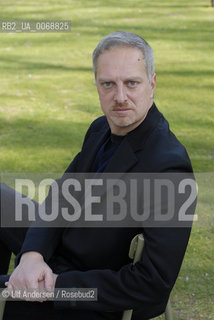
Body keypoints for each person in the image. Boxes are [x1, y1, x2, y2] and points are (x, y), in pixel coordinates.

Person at [0, 31, 195, 320]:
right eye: (108, 84)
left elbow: (152, 285)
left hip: (89, 290)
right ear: (97, 86)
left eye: (132, 83)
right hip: (65, 246)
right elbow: (60, 198)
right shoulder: (100, 128)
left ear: (151, 84)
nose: (120, 97)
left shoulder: (168, 167)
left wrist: (57, 287)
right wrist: (32, 256)